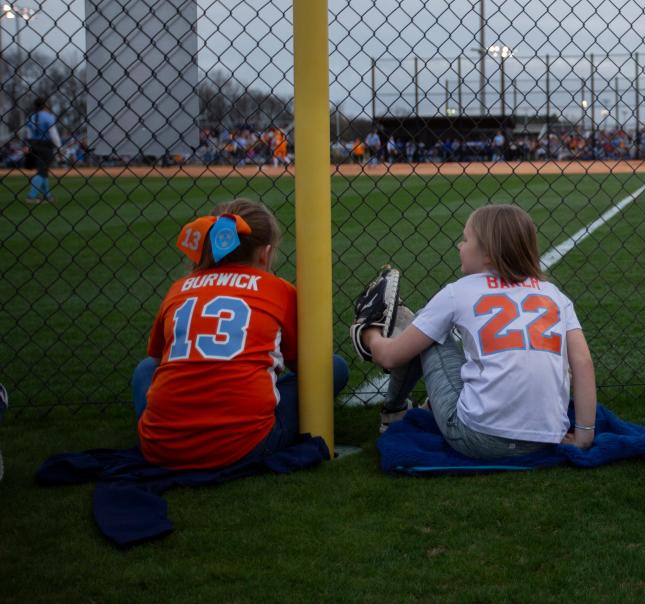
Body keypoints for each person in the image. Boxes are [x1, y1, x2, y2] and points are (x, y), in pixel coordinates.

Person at [358, 204, 598, 457]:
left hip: (475, 438)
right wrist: (584, 435)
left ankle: (393, 412)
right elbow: (582, 362)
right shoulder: (555, 296)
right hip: (545, 439)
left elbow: (390, 357)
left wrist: (369, 332)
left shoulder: (457, 291)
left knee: (423, 326)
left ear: (488, 255)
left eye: (466, 239)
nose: (459, 246)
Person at [132, 198, 348, 470]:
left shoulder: (179, 288)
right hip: (243, 447)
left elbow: (157, 356)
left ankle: (167, 427)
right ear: (265, 253)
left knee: (145, 369)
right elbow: (300, 365)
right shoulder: (278, 289)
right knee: (333, 367)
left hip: (160, 448)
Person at [22, 96, 61, 204]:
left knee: (43, 170)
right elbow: (54, 134)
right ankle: (31, 196)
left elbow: (27, 134)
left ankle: (47, 195)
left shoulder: (31, 117)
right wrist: (59, 147)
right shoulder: (48, 117)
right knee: (42, 171)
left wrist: (25, 145)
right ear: (45, 105)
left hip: (33, 145)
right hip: (45, 145)